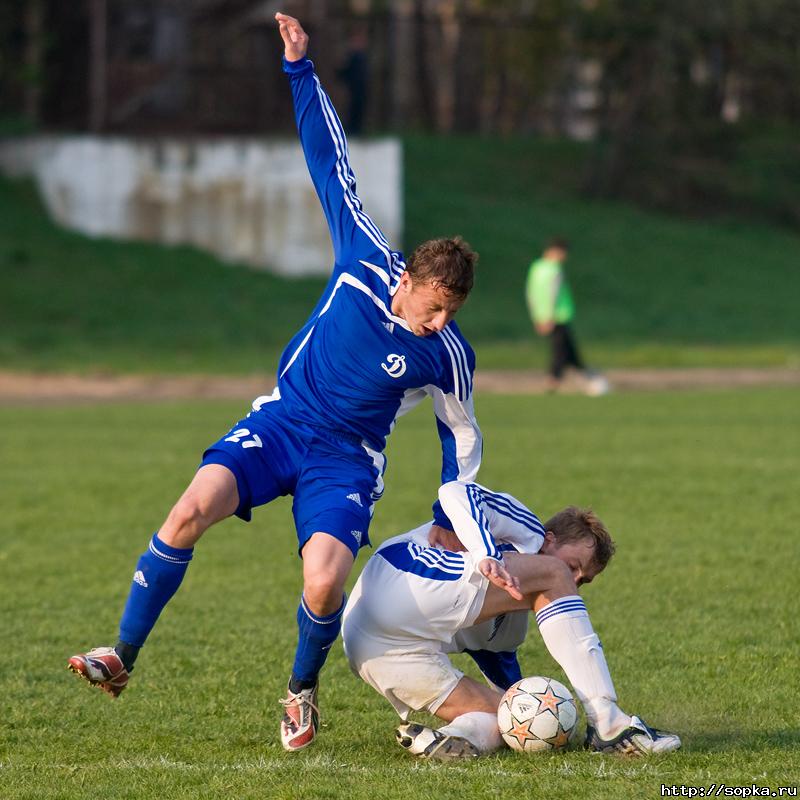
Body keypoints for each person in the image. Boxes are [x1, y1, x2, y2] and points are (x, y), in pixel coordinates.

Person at [67, 13, 522, 753]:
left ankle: (300, 692)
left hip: (346, 460)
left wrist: (454, 511)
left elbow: (462, 434)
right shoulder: (364, 260)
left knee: (323, 586)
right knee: (189, 511)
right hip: (280, 424)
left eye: (453, 312)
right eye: (435, 307)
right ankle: (122, 653)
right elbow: (328, 160)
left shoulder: (450, 355)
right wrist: (301, 71)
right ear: (408, 281)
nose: (441, 322)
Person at [342, 480, 681, 758]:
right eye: (574, 566)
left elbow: (502, 668)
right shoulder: (529, 530)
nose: (573, 582)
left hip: (374, 648)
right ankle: (608, 720)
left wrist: (536, 717)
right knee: (551, 572)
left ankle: (451, 739)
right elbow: (454, 492)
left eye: (583, 581)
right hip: (399, 581)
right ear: (550, 539)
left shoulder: (510, 615)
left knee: (508, 715)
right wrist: (485, 552)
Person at [526, 238, 608, 395]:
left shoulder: (536, 268)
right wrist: (549, 316)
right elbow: (553, 295)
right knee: (561, 351)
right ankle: (554, 382)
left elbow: (531, 293)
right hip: (558, 316)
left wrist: (537, 316)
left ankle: (589, 379)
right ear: (555, 251)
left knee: (569, 353)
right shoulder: (555, 270)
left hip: (543, 316)